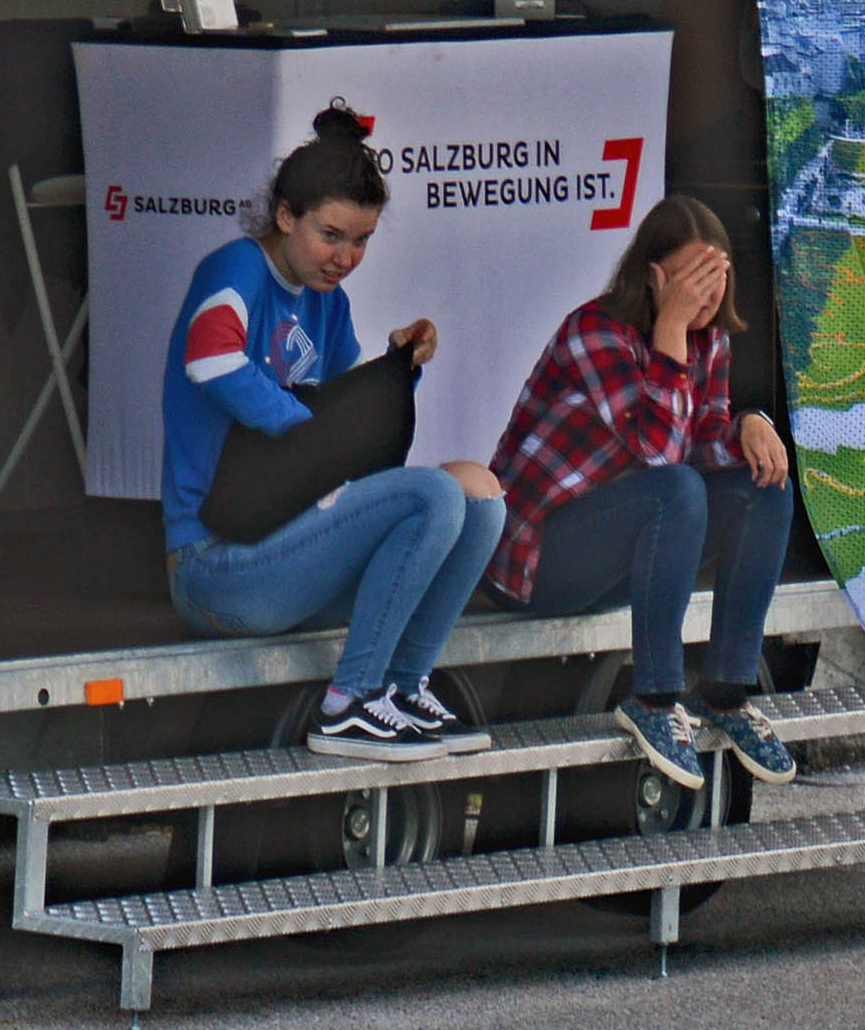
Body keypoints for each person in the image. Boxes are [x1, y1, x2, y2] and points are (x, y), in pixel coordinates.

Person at [162, 106, 507, 762]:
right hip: (214, 566)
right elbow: (210, 359)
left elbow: (345, 423)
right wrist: (303, 425)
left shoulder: (328, 301)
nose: (345, 257)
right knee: (431, 493)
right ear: (285, 216)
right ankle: (348, 703)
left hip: (289, 548)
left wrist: (398, 365)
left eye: (361, 240)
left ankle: (402, 686)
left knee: (478, 495)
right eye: (330, 234)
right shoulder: (236, 268)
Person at [489, 197, 803, 790]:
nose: (704, 295)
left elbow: (702, 440)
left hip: (623, 548)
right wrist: (670, 331)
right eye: (691, 279)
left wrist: (749, 425)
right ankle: (654, 699)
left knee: (765, 486)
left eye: (715, 277)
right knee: (675, 489)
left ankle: (726, 692)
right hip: (539, 558)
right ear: (654, 277)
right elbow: (660, 452)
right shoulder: (595, 331)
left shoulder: (710, 340)